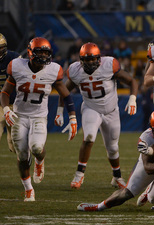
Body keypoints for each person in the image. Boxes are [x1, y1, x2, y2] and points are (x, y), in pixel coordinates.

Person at [0, 37, 77, 201]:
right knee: (21, 155)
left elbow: (66, 95)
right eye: (39, 52)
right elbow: (5, 92)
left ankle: (40, 161)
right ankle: (28, 189)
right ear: (30, 52)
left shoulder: (53, 70)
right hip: (20, 115)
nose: (43, 56)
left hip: (39, 116)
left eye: (46, 52)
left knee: (36, 148)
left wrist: (72, 118)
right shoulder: (17, 67)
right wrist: (6, 108)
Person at [55, 42, 138, 189]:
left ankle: (117, 177)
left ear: (99, 58)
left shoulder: (109, 65)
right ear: (81, 60)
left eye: (93, 59)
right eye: (87, 60)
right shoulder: (75, 71)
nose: (90, 62)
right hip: (91, 108)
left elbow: (132, 81)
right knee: (89, 138)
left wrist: (132, 99)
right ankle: (79, 175)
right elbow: (64, 91)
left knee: (112, 147)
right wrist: (60, 111)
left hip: (112, 111)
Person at [77, 110, 154, 211]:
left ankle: (150, 192)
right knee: (127, 193)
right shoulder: (147, 138)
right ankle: (99, 206)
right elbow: (147, 167)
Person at [0, 33, 20, 153]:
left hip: (14, 103)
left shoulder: (14, 58)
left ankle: (23, 162)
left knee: (14, 140)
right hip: (0, 104)